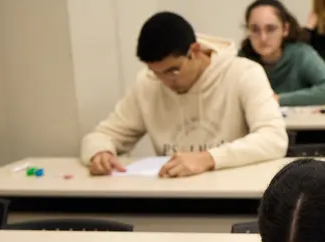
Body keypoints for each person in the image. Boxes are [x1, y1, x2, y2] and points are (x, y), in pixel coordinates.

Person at [81, 12, 287, 177]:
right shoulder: (147, 83)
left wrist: (208, 158)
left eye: (173, 70)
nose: (166, 81)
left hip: (232, 195)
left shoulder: (244, 73)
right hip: (172, 195)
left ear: (195, 51)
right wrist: (101, 152)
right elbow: (102, 135)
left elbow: (273, 139)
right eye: (156, 73)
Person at [239, 0, 325, 107]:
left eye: (271, 29)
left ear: (285, 29)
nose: (263, 38)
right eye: (255, 30)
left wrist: (278, 99)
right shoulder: (240, 61)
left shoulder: (301, 54)